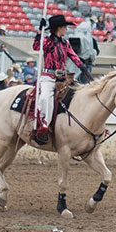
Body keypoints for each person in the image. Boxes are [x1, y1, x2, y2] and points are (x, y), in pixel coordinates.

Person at [29, 14, 78, 145]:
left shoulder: (65, 43)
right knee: (45, 98)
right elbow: (36, 46)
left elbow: (74, 57)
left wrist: (82, 66)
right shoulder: (47, 42)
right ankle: (43, 126)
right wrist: (40, 31)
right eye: (64, 27)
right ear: (59, 28)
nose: (66, 30)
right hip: (48, 77)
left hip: (63, 78)